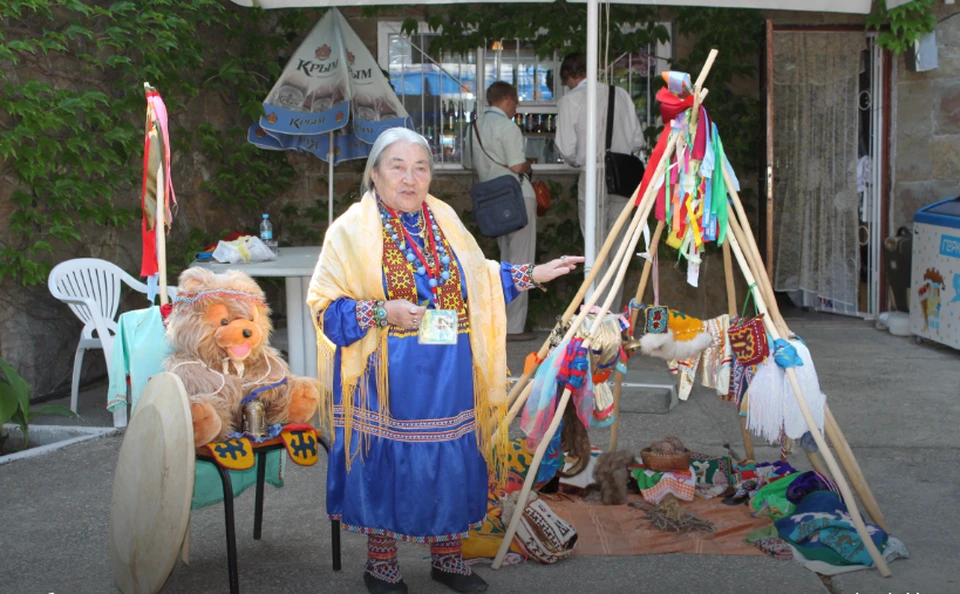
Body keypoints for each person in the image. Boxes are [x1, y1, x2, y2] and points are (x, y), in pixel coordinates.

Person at [307, 127, 583, 594]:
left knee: (452, 460)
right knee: (390, 462)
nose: (410, 178)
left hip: (450, 370)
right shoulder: (349, 232)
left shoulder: (445, 218)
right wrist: (381, 310)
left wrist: (533, 273)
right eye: (397, 166)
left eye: (421, 167)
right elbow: (325, 308)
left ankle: (448, 558)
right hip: (388, 377)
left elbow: (478, 277)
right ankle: (381, 565)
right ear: (374, 173)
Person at [555, 52, 645, 312]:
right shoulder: (622, 95)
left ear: (571, 76)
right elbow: (638, 141)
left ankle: (596, 313)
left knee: (594, 247)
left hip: (594, 173)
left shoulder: (570, 100)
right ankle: (613, 313)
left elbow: (567, 149)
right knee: (618, 249)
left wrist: (577, 158)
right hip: (623, 176)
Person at [463, 81, 538, 342]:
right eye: (515, 102)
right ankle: (513, 327)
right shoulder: (508, 127)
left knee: (502, 264)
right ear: (507, 99)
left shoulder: (473, 128)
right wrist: (529, 162)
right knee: (521, 263)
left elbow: (466, 163)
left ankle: (498, 322)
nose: (516, 108)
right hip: (516, 198)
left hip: (491, 202)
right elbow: (517, 166)